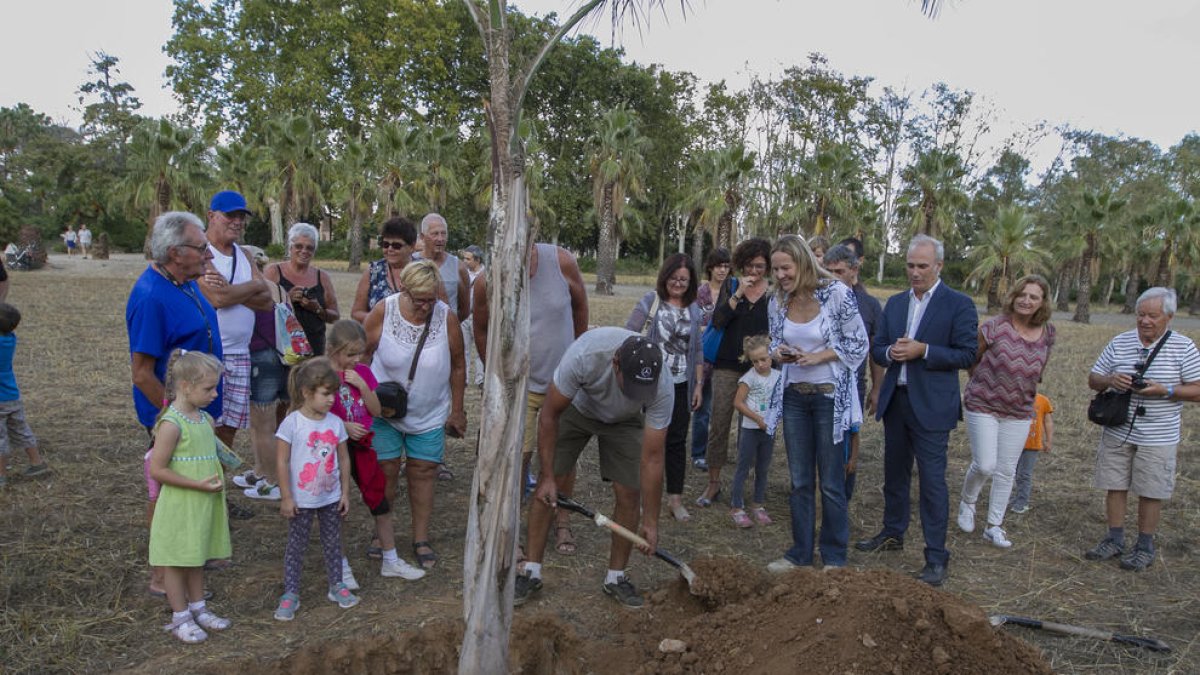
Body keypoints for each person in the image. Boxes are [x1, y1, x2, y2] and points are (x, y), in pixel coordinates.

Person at [514, 329, 672, 608]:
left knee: (629, 492)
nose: (634, 393)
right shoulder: (586, 355)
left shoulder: (662, 384)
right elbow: (549, 416)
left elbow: (654, 458)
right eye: (630, 384)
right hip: (578, 408)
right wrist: (549, 476)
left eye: (641, 389)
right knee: (546, 488)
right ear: (615, 364)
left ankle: (616, 577)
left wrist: (650, 520)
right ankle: (531, 570)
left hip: (625, 422)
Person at [856, 234, 977, 588]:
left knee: (931, 482)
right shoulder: (894, 304)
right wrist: (889, 353)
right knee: (893, 473)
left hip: (933, 406)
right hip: (897, 401)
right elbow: (876, 348)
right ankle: (893, 532)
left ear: (938, 265)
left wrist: (924, 351)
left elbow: (967, 354)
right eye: (910, 265)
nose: (915, 272)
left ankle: (936, 555)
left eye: (922, 266)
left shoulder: (959, 304)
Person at [126, 211, 225, 595]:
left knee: (193, 486)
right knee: (167, 494)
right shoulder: (151, 297)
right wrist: (176, 418)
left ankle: (194, 554)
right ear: (174, 252)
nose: (209, 256)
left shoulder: (185, 281)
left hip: (197, 409)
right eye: (202, 249)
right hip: (174, 418)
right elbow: (141, 372)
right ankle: (161, 575)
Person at [473, 243, 589, 556]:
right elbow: (481, 329)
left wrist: (577, 357)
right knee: (517, 460)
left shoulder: (561, 260)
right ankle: (512, 533)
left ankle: (562, 519)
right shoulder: (487, 279)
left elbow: (580, 307)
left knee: (563, 458)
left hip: (562, 384)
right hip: (519, 387)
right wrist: (496, 376)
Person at [764, 235, 867, 572]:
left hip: (828, 398)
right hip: (794, 398)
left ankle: (834, 556)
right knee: (800, 481)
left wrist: (817, 356)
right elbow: (775, 344)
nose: (779, 275)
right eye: (775, 269)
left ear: (804, 263)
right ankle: (800, 553)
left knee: (832, 482)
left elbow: (858, 343)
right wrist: (778, 353)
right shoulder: (777, 301)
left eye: (785, 267)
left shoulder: (836, 294)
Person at [1085, 287, 1200, 572]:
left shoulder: (1183, 347)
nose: (1145, 321)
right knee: (1115, 484)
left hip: (1158, 434)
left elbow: (1198, 389)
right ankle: (1114, 539)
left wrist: (1166, 390)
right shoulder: (1119, 342)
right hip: (1117, 430)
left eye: (1153, 316)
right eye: (1140, 315)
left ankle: (1144, 545)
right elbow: (1093, 379)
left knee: (1151, 489)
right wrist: (1111, 379)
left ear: (1169, 317)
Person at [365, 260, 467, 570]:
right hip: (385, 412)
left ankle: (420, 538)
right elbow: (362, 353)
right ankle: (381, 534)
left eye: (430, 299)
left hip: (429, 412)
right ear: (403, 290)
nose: (424, 306)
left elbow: (459, 364)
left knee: (423, 473)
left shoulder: (445, 318)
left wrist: (458, 410)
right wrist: (362, 397)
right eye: (418, 299)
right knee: (386, 471)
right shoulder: (385, 310)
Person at [957, 275, 1056, 549]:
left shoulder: (1048, 333)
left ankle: (994, 525)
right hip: (983, 406)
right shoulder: (994, 327)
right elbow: (972, 360)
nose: (1026, 301)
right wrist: (986, 385)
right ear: (1013, 296)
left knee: (1006, 471)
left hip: (1020, 410)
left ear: (1042, 303)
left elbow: (1039, 370)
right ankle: (968, 502)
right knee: (985, 464)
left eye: (1034, 297)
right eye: (1022, 295)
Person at [326, 320, 425, 586]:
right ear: (332, 349)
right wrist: (343, 426)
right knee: (337, 506)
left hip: (362, 447)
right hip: (333, 450)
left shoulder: (362, 373)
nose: (355, 359)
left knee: (379, 500)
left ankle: (390, 559)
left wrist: (363, 385)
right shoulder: (322, 375)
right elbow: (316, 413)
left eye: (359, 353)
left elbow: (376, 410)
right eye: (349, 354)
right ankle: (340, 566)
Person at [147, 350, 232, 643]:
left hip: (202, 503)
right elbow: (157, 469)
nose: (215, 393)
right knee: (176, 560)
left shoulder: (205, 419)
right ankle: (180, 615)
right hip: (181, 504)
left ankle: (199, 608)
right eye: (208, 388)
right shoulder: (171, 424)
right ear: (185, 386)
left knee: (196, 555)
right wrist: (196, 485)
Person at [273, 358, 358, 620]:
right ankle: (291, 592)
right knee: (296, 545)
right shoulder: (292, 423)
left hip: (330, 497)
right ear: (306, 393)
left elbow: (344, 458)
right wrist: (286, 496)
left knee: (333, 541)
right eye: (325, 393)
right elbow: (282, 460)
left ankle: (337, 585)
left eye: (333, 392)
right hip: (301, 498)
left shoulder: (334, 423)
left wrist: (345, 493)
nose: (331, 399)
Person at [624, 253, 704, 522]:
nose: (678, 283)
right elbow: (629, 334)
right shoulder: (651, 301)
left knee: (677, 441)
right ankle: (646, 500)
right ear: (665, 276)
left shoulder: (694, 308)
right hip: (652, 383)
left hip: (682, 383)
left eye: (684, 279)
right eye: (674, 277)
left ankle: (675, 499)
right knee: (648, 442)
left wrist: (698, 385)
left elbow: (698, 350)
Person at [198, 190, 273, 459]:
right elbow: (218, 298)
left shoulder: (244, 254)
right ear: (211, 216)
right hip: (208, 353)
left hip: (240, 355)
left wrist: (235, 291)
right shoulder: (201, 252)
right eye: (230, 215)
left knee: (229, 428)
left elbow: (267, 301)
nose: (237, 221)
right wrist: (253, 285)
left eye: (241, 216)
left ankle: (218, 491)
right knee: (202, 425)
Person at [698, 238, 772, 507]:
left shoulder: (772, 294)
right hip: (727, 365)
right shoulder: (731, 286)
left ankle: (742, 486)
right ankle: (713, 483)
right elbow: (717, 322)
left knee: (749, 429)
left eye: (761, 266)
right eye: (750, 265)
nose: (755, 271)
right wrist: (738, 293)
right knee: (718, 424)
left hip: (757, 370)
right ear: (741, 264)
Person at [822, 243, 883, 501]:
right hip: (822, 385)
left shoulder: (868, 304)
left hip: (853, 386)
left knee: (848, 445)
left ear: (854, 269)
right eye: (828, 271)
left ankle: (842, 501)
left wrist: (877, 389)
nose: (832, 277)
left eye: (838, 271)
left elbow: (875, 351)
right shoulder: (817, 299)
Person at [238, 277, 290, 501]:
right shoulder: (277, 288)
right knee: (262, 423)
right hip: (282, 356)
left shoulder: (245, 287)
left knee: (263, 425)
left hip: (260, 356)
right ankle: (261, 471)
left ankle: (273, 482)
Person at [265, 222, 340, 356]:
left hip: (314, 350)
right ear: (290, 247)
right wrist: (287, 299)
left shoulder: (322, 277)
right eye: (299, 246)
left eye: (309, 248)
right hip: (280, 351)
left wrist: (317, 309)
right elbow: (261, 309)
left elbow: (335, 316)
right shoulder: (274, 272)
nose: (304, 251)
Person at [729, 335, 779, 528]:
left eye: (763, 359)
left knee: (763, 467)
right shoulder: (748, 378)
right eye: (755, 361)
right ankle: (736, 505)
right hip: (751, 429)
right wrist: (757, 419)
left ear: (771, 357)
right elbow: (738, 402)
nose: (760, 364)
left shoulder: (777, 377)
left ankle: (758, 504)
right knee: (743, 465)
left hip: (768, 430)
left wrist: (772, 419)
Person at [691, 247, 731, 470]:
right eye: (719, 266)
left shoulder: (733, 292)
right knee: (703, 407)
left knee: (722, 409)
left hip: (725, 357)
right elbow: (693, 325)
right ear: (710, 268)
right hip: (703, 358)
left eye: (726, 266)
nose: (722, 270)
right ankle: (698, 452)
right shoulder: (700, 293)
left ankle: (717, 451)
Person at [0, 303, 48, 487]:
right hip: (13, 397)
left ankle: (1, 475)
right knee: (21, 429)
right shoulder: (10, 339)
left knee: (1, 438)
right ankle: (37, 463)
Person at [350, 217, 419, 323]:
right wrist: (383, 319)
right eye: (385, 244)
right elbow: (356, 313)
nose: (390, 249)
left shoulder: (424, 272)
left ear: (412, 246)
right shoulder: (373, 271)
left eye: (396, 246)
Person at [416, 213, 470, 321]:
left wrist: (449, 326)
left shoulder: (458, 267)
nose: (440, 239)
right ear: (422, 237)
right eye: (435, 234)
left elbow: (465, 310)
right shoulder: (411, 263)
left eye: (443, 234)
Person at [1008, 391, 1054, 514]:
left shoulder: (1043, 400)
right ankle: (1017, 497)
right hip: (1015, 443)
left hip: (1032, 445)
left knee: (1024, 474)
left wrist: (1048, 440)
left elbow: (1048, 422)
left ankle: (1023, 502)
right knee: (1016, 472)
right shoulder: (1014, 398)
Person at [461, 244, 486, 386]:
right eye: (464, 258)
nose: (465, 261)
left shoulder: (486, 274)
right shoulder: (462, 273)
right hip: (465, 317)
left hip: (480, 317)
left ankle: (480, 379)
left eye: (468, 259)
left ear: (477, 260)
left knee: (479, 349)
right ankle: (463, 379)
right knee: (463, 349)